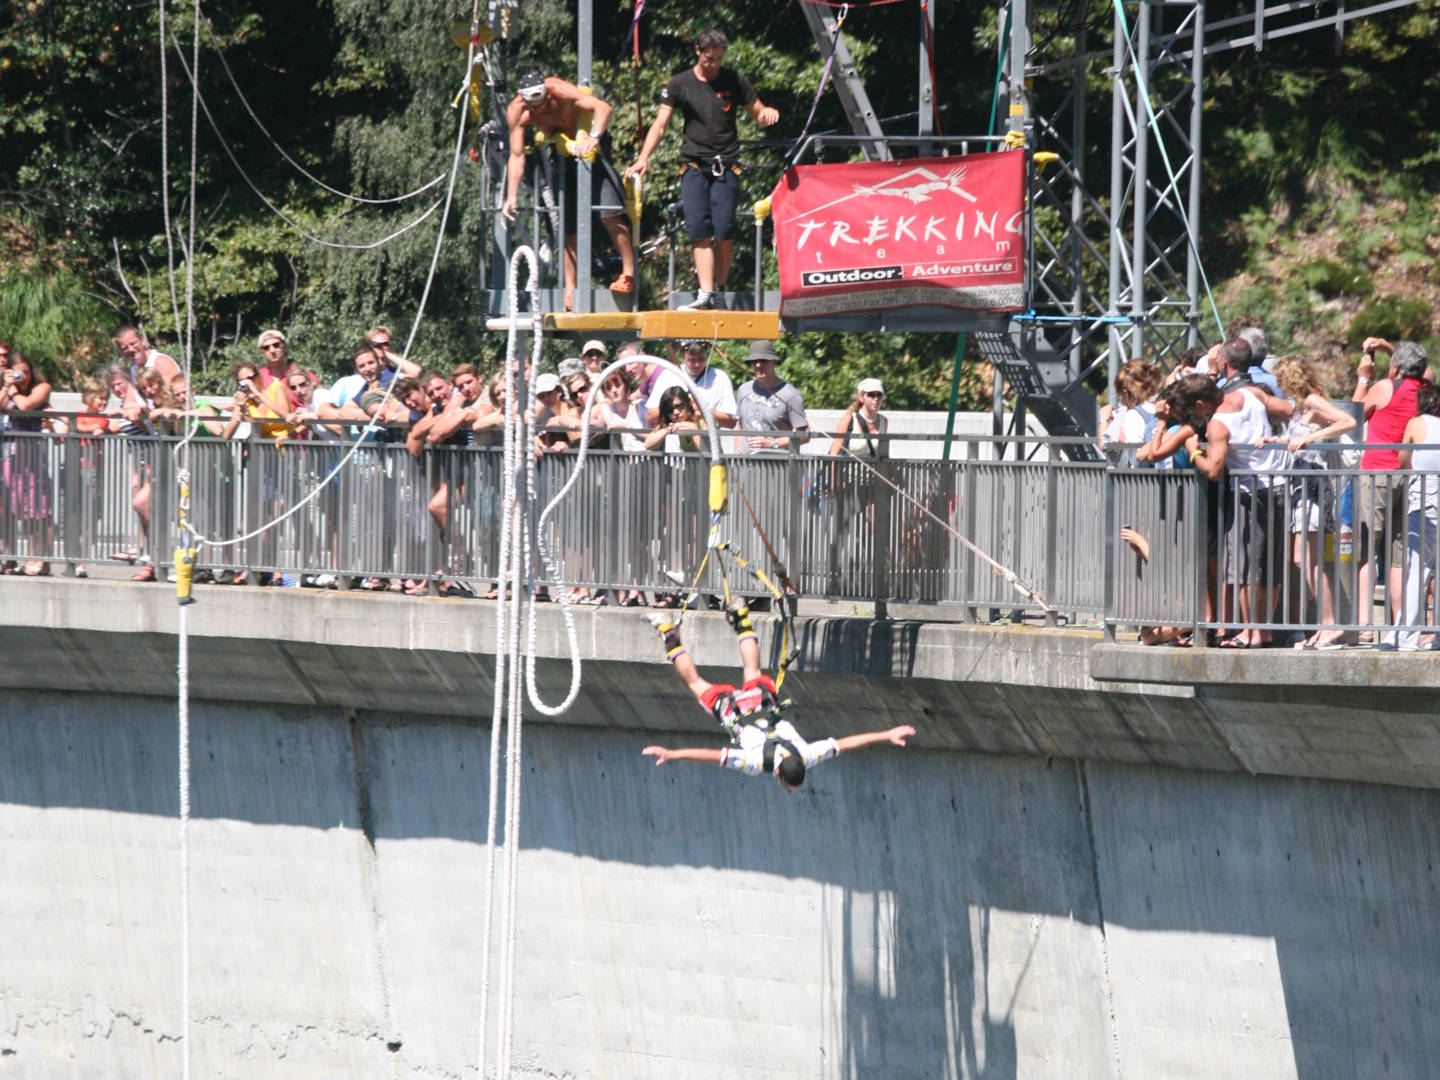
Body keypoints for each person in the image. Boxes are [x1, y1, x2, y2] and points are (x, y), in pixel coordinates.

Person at [640, 602, 915, 789]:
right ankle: (668, 632)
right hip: (735, 712)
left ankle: (741, 618)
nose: (789, 790)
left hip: (763, 703)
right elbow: (711, 755)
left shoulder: (807, 755)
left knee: (752, 669)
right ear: (778, 773)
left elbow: (847, 743)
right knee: (696, 684)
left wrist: (885, 735)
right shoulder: (755, 763)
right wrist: (673, 754)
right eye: (787, 786)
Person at [626, 28, 779, 311]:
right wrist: (643, 157)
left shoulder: (733, 80)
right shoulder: (679, 84)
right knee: (699, 229)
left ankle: (719, 288)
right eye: (710, 59)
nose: (714, 66)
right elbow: (660, 125)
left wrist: (766, 114)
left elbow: (756, 110)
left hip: (726, 165)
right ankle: (706, 293)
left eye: (719, 59)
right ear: (698, 51)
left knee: (724, 229)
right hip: (693, 164)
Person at [503, 72, 636, 307]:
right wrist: (511, 196)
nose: (541, 111)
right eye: (535, 107)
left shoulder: (559, 91)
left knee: (610, 213)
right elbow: (516, 156)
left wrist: (594, 137)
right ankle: (570, 290)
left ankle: (627, 273)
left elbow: (602, 108)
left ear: (547, 94)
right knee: (567, 228)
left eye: (543, 104)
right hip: (564, 155)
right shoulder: (518, 112)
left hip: (592, 147)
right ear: (524, 101)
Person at [1264, 357, 1357, 649]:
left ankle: (1329, 625)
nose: (1277, 385)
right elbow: (1300, 443)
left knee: (1309, 559)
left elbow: (1348, 421)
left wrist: (1314, 435)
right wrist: (1275, 442)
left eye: (1280, 379)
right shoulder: (1300, 408)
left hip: (1313, 488)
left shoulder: (1314, 401)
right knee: (1301, 559)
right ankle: (1323, 625)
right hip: (1300, 489)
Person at [1352, 337, 1429, 646]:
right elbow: (1419, 368)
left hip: (1377, 473)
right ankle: (1400, 624)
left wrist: (1363, 377)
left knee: (1368, 548)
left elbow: (1354, 414)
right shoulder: (1425, 394)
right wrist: (1388, 348)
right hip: (1408, 476)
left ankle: (1365, 625)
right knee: (1399, 556)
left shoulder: (1385, 387)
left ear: (1394, 367)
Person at [1396, 381, 1440, 651]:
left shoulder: (1415, 423)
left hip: (1424, 500)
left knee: (1417, 569)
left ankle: (1408, 635)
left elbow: (1403, 459)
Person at [0, 353, 53, 576]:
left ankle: (39, 559)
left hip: (32, 456)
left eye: (26, 372)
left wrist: (13, 391)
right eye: (17, 373)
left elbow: (25, 406)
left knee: (37, 509)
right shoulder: (8, 389)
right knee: (13, 509)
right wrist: (6, 386)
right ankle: (9, 558)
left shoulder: (42, 387)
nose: (23, 377)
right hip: (11, 458)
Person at [646, 340, 738, 430]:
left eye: (701, 359)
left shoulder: (720, 378)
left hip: (708, 442)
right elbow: (650, 417)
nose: (697, 364)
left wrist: (703, 411)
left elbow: (731, 423)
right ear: (683, 357)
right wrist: (677, 409)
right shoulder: (668, 375)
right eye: (691, 360)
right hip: (674, 442)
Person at [736, 339, 807, 452]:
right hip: (745, 465)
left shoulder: (790, 394)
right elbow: (740, 427)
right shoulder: (743, 390)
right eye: (754, 361)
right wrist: (736, 460)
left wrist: (772, 443)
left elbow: (804, 435)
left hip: (776, 465)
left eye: (763, 360)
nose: (758, 365)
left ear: (774, 362)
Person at [827, 378, 888, 459]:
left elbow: (883, 456)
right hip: (847, 471)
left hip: (873, 471)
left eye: (879, 395)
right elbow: (833, 454)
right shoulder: (848, 419)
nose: (876, 398)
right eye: (871, 394)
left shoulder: (884, 421)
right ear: (861, 397)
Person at [113, 325, 180, 386]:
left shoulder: (160, 362)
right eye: (125, 348)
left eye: (133, 344)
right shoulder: (134, 370)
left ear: (143, 341)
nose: (131, 349)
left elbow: (174, 394)